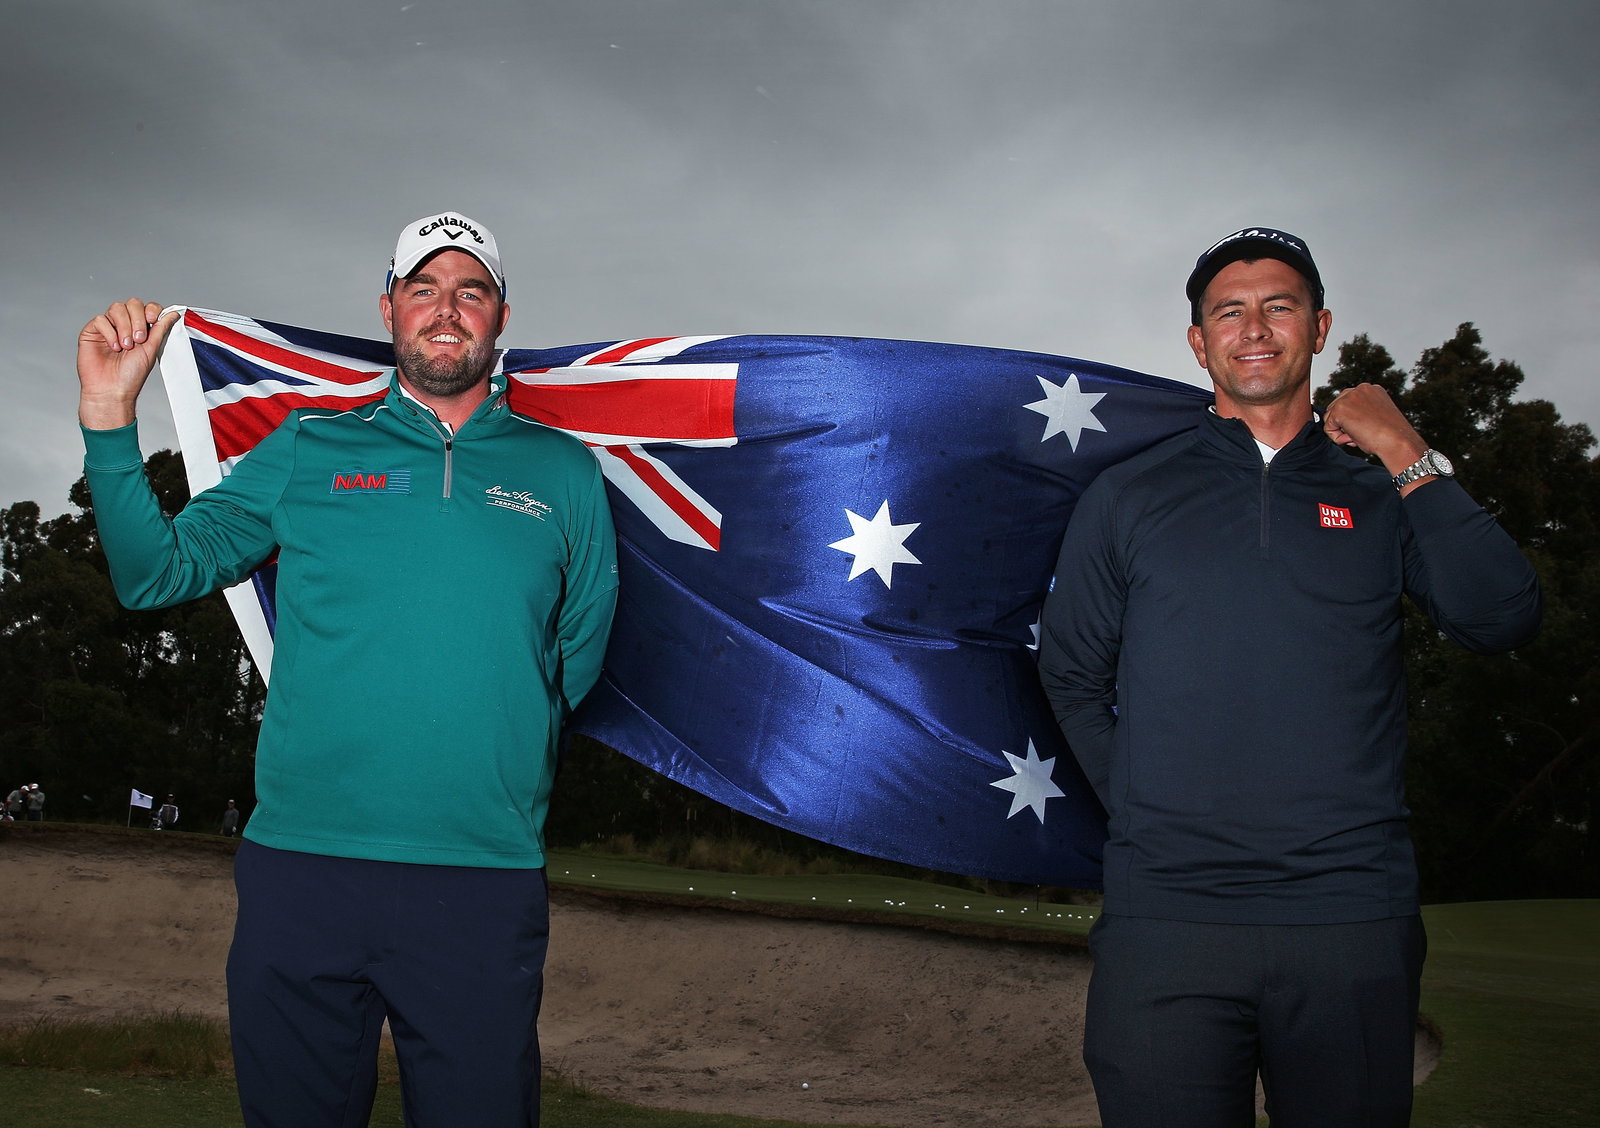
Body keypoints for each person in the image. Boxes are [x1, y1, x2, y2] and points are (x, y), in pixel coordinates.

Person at [76, 210, 619, 1128]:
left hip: (479, 883)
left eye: (470, 291)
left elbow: (575, 659)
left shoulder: (563, 472)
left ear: (499, 317)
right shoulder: (307, 447)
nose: (446, 310)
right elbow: (153, 574)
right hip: (303, 876)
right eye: (424, 289)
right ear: (389, 309)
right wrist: (108, 417)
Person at [1038, 227, 1542, 1127]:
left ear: (1320, 327)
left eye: (1280, 305)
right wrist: (1151, 806)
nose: (1255, 327)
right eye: (1228, 312)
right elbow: (1072, 673)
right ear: (1200, 342)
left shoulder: (1386, 492)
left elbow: (1501, 616)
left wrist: (1405, 449)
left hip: (1351, 918)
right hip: (1169, 923)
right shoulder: (1130, 496)